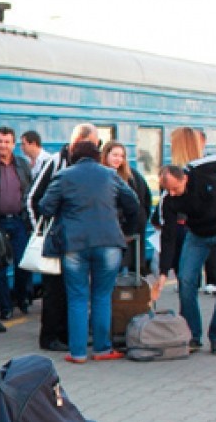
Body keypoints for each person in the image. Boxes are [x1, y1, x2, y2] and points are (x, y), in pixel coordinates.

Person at [39, 125, 139, 363]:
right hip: (108, 242)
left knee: (77, 297)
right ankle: (103, 349)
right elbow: (133, 203)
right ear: (98, 156)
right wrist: (121, 226)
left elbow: (44, 207)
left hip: (75, 244)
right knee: (102, 296)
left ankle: (78, 353)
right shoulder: (110, 175)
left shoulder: (64, 176)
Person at [152, 128, 216, 355]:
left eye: (175, 188)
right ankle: (193, 335)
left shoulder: (202, 167)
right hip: (198, 235)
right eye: (167, 190)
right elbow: (168, 236)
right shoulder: (169, 201)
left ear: (185, 178)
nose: (173, 194)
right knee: (186, 280)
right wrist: (163, 274)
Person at [26, 137, 78, 352]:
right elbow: (32, 198)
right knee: (54, 290)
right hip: (55, 240)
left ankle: (65, 334)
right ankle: (49, 337)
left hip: (74, 241)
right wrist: (42, 232)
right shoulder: (56, 162)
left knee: (69, 290)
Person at [0, 126, 34, 319]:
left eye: (7, 142)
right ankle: (5, 307)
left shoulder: (23, 165)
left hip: (20, 222)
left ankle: (23, 299)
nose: (3, 145)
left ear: (13, 144)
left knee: (23, 264)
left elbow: (29, 192)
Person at [101, 141, 152, 276]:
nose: (118, 159)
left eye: (121, 156)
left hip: (127, 231)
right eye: (115, 155)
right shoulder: (107, 175)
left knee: (124, 269)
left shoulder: (132, 177)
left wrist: (132, 227)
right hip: (112, 231)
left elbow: (143, 201)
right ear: (106, 155)